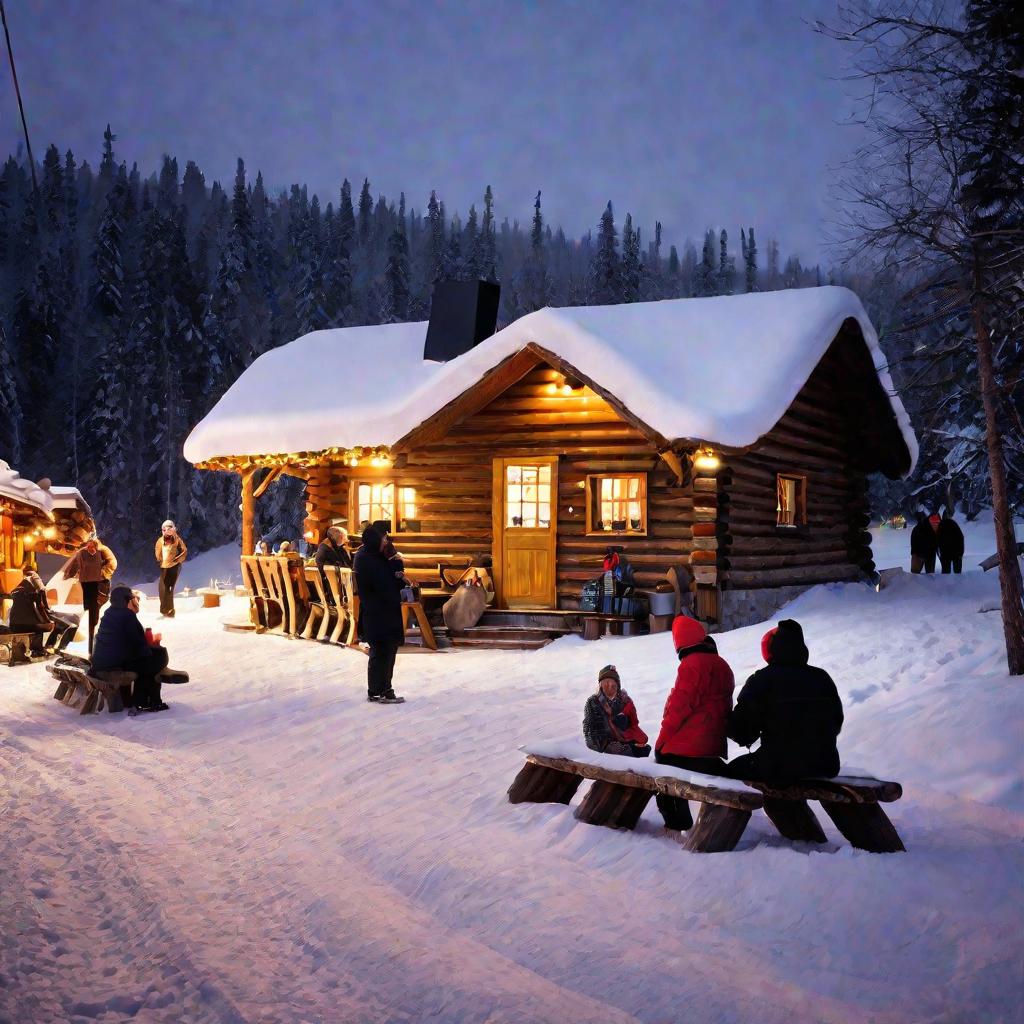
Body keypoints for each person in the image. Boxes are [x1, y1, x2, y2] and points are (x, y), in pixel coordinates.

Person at [728, 619, 844, 781]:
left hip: (778, 767)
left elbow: (743, 729)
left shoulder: (763, 679)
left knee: (728, 775)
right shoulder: (822, 677)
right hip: (825, 765)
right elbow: (836, 722)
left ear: (771, 649)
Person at [653, 615, 735, 831]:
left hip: (688, 750)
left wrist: (660, 744)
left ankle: (676, 824)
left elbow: (679, 708)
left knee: (663, 773)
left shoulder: (691, 665)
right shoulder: (722, 665)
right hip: (713, 748)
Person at [91, 586, 170, 712]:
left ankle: (141, 700)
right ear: (125, 600)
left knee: (144, 662)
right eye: (129, 599)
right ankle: (145, 702)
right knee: (153, 664)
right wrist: (152, 647)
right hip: (113, 664)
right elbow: (138, 642)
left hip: (102, 662)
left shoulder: (109, 613)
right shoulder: (127, 615)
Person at [352, 523, 405, 704]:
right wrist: (397, 565)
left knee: (379, 651)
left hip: (373, 612)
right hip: (383, 612)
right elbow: (388, 586)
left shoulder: (365, 556)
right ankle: (384, 690)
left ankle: (376, 690)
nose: (386, 541)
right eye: (383, 538)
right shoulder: (374, 561)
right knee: (386, 650)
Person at [62, 537, 117, 653]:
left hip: (100, 583)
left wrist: (101, 574)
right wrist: (69, 574)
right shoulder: (82, 552)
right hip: (87, 584)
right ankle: (90, 640)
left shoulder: (103, 550)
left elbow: (113, 563)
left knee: (95, 608)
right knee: (89, 610)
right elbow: (76, 563)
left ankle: (95, 640)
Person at [582, 665, 650, 757]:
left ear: (618, 684)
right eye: (606, 682)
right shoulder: (593, 702)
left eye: (613, 681)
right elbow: (591, 736)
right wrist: (625, 749)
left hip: (623, 740)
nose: (610, 685)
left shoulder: (625, 700)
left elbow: (634, 724)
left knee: (644, 748)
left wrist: (632, 740)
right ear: (600, 685)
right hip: (605, 747)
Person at [7, 571, 78, 654]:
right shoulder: (35, 590)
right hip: (27, 625)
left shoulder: (17, 590)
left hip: (14, 625)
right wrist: (48, 622)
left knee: (47, 625)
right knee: (60, 626)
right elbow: (41, 607)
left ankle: (44, 648)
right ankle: (52, 649)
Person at [155, 519, 187, 618]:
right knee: (162, 588)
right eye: (165, 530)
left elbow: (184, 551)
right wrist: (160, 560)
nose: (167, 532)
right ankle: (164, 609)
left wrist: (176, 560)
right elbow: (157, 552)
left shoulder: (177, 540)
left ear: (173, 530)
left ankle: (170, 611)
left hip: (174, 567)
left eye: (170, 529)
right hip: (164, 567)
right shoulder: (160, 541)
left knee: (169, 588)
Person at [937, 510, 965, 574]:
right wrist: (961, 552)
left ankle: (946, 583)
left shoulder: (941, 525)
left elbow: (937, 539)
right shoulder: (953, 524)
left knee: (945, 573)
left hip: (945, 552)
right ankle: (959, 582)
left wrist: (939, 552)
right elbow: (961, 537)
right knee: (957, 573)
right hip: (956, 552)